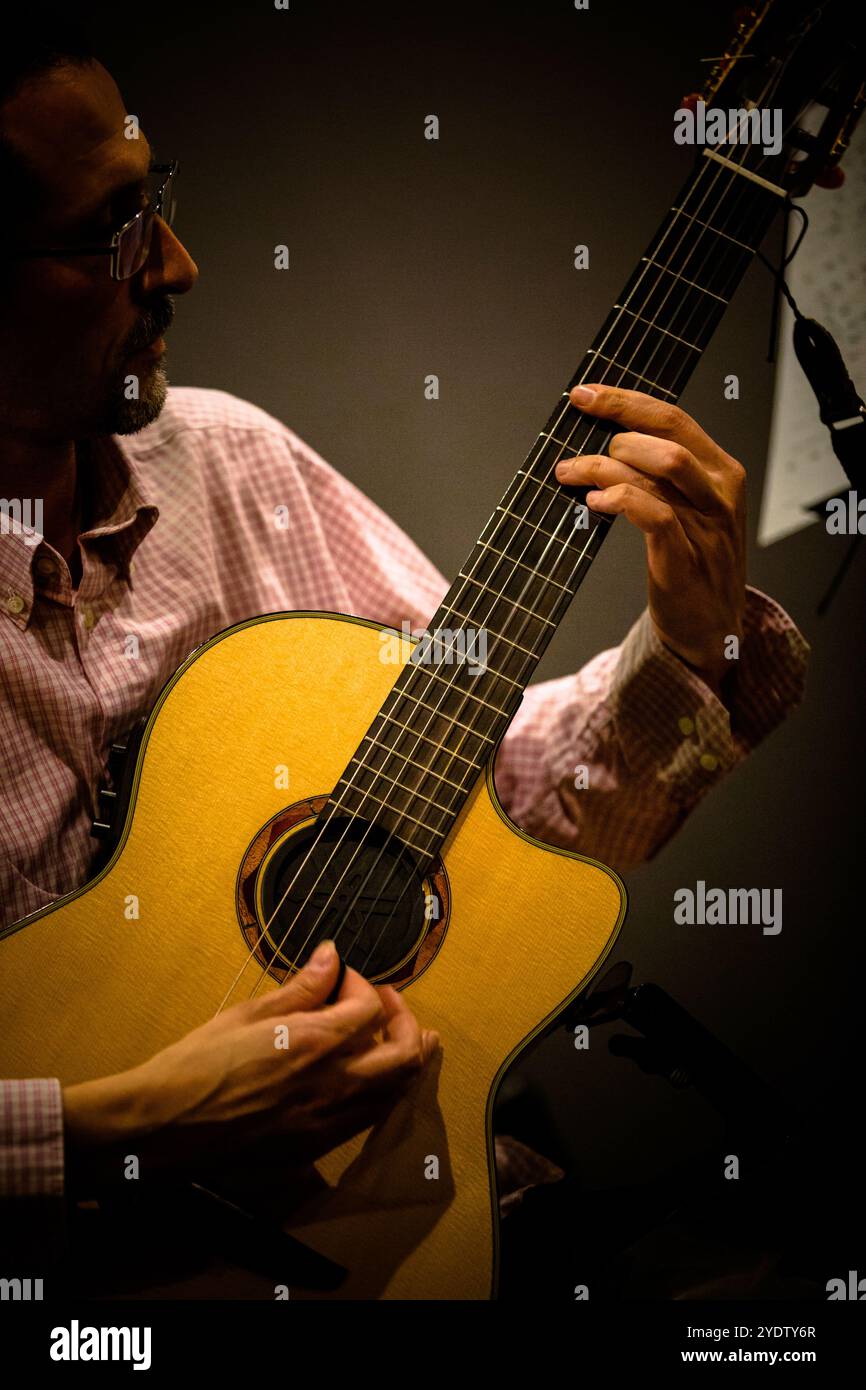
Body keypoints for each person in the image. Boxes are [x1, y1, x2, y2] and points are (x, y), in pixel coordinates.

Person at [0, 27, 808, 1273]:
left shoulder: (234, 465)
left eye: (157, 197)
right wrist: (131, 1127)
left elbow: (493, 816)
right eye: (109, 229)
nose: (179, 262)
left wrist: (686, 640)